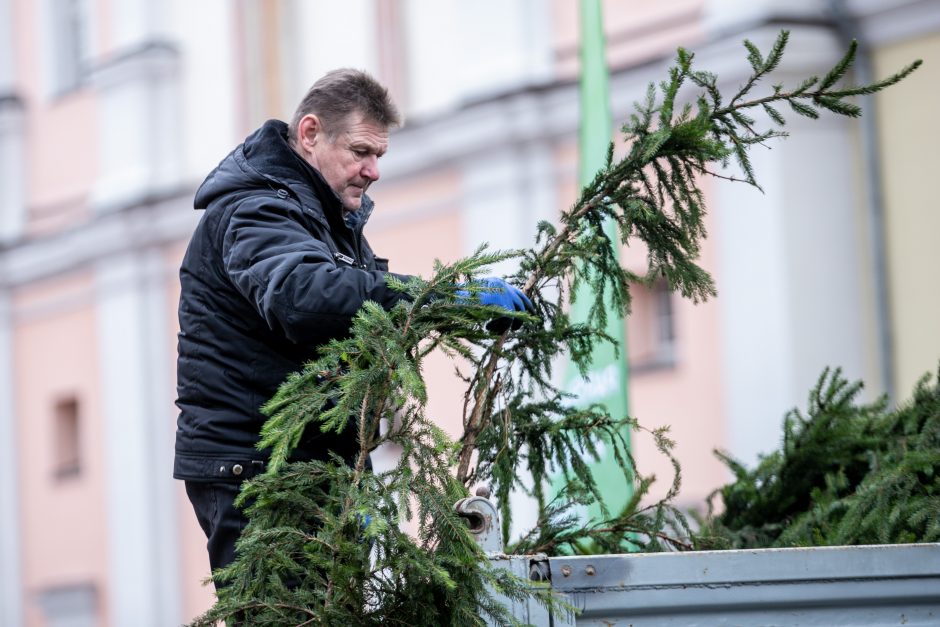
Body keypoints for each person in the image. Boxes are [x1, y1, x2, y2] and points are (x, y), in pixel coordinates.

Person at [173, 69, 531, 577]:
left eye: (379, 156)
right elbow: (302, 296)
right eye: (361, 151)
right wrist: (440, 299)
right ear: (310, 133)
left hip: (312, 464)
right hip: (257, 472)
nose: (373, 170)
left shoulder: (319, 215)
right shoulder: (257, 208)